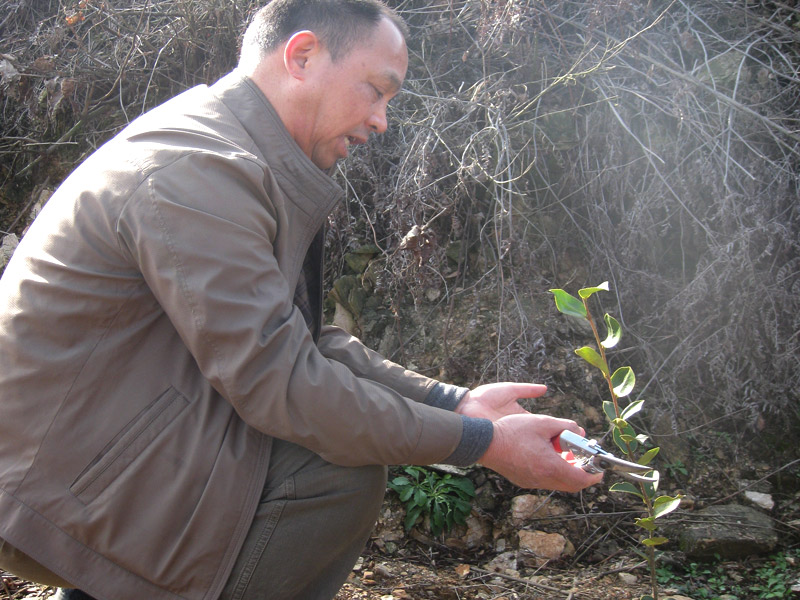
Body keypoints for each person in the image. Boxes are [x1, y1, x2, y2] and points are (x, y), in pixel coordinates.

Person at [0, 1, 602, 599]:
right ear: (303, 55)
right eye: (376, 90)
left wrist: (457, 403)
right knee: (333, 474)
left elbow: (304, 342)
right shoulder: (200, 171)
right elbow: (281, 381)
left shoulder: (238, 154)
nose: (381, 121)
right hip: (43, 486)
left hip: (100, 459)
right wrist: (481, 443)